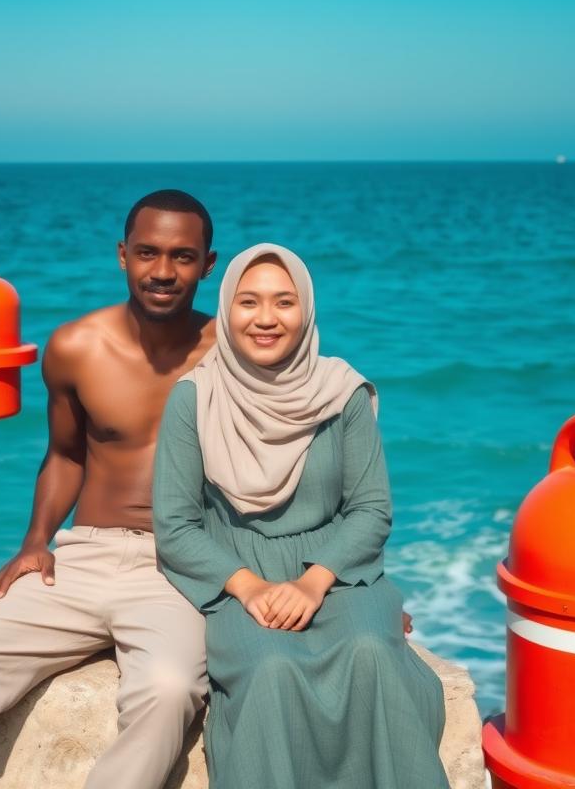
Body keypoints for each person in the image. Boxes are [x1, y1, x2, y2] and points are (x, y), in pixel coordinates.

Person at [0, 190, 218, 789]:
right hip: (82, 555)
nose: (163, 272)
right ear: (123, 256)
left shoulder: (232, 354)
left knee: (170, 691)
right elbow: (65, 455)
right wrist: (35, 541)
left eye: (182, 256)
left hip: (179, 569)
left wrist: (348, 586)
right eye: (147, 253)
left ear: (208, 264)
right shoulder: (76, 347)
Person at [153, 244, 448, 789]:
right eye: (249, 302)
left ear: (306, 310)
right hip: (237, 578)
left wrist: (314, 582)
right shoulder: (195, 399)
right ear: (226, 309)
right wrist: (250, 588)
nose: (266, 318)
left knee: (372, 657)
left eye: (284, 302)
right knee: (271, 671)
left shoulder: (342, 393)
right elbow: (174, 526)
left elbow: (371, 508)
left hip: (337, 571)